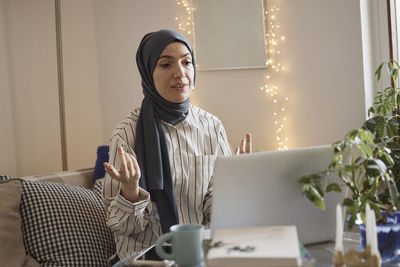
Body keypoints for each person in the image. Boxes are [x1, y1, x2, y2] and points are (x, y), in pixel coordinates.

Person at [102, 29, 252, 261]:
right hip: (146, 257)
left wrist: (236, 183)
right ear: (147, 72)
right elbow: (121, 227)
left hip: (199, 253)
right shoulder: (127, 133)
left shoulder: (211, 126)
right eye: (165, 65)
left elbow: (218, 212)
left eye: (187, 62)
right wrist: (130, 193)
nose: (180, 73)